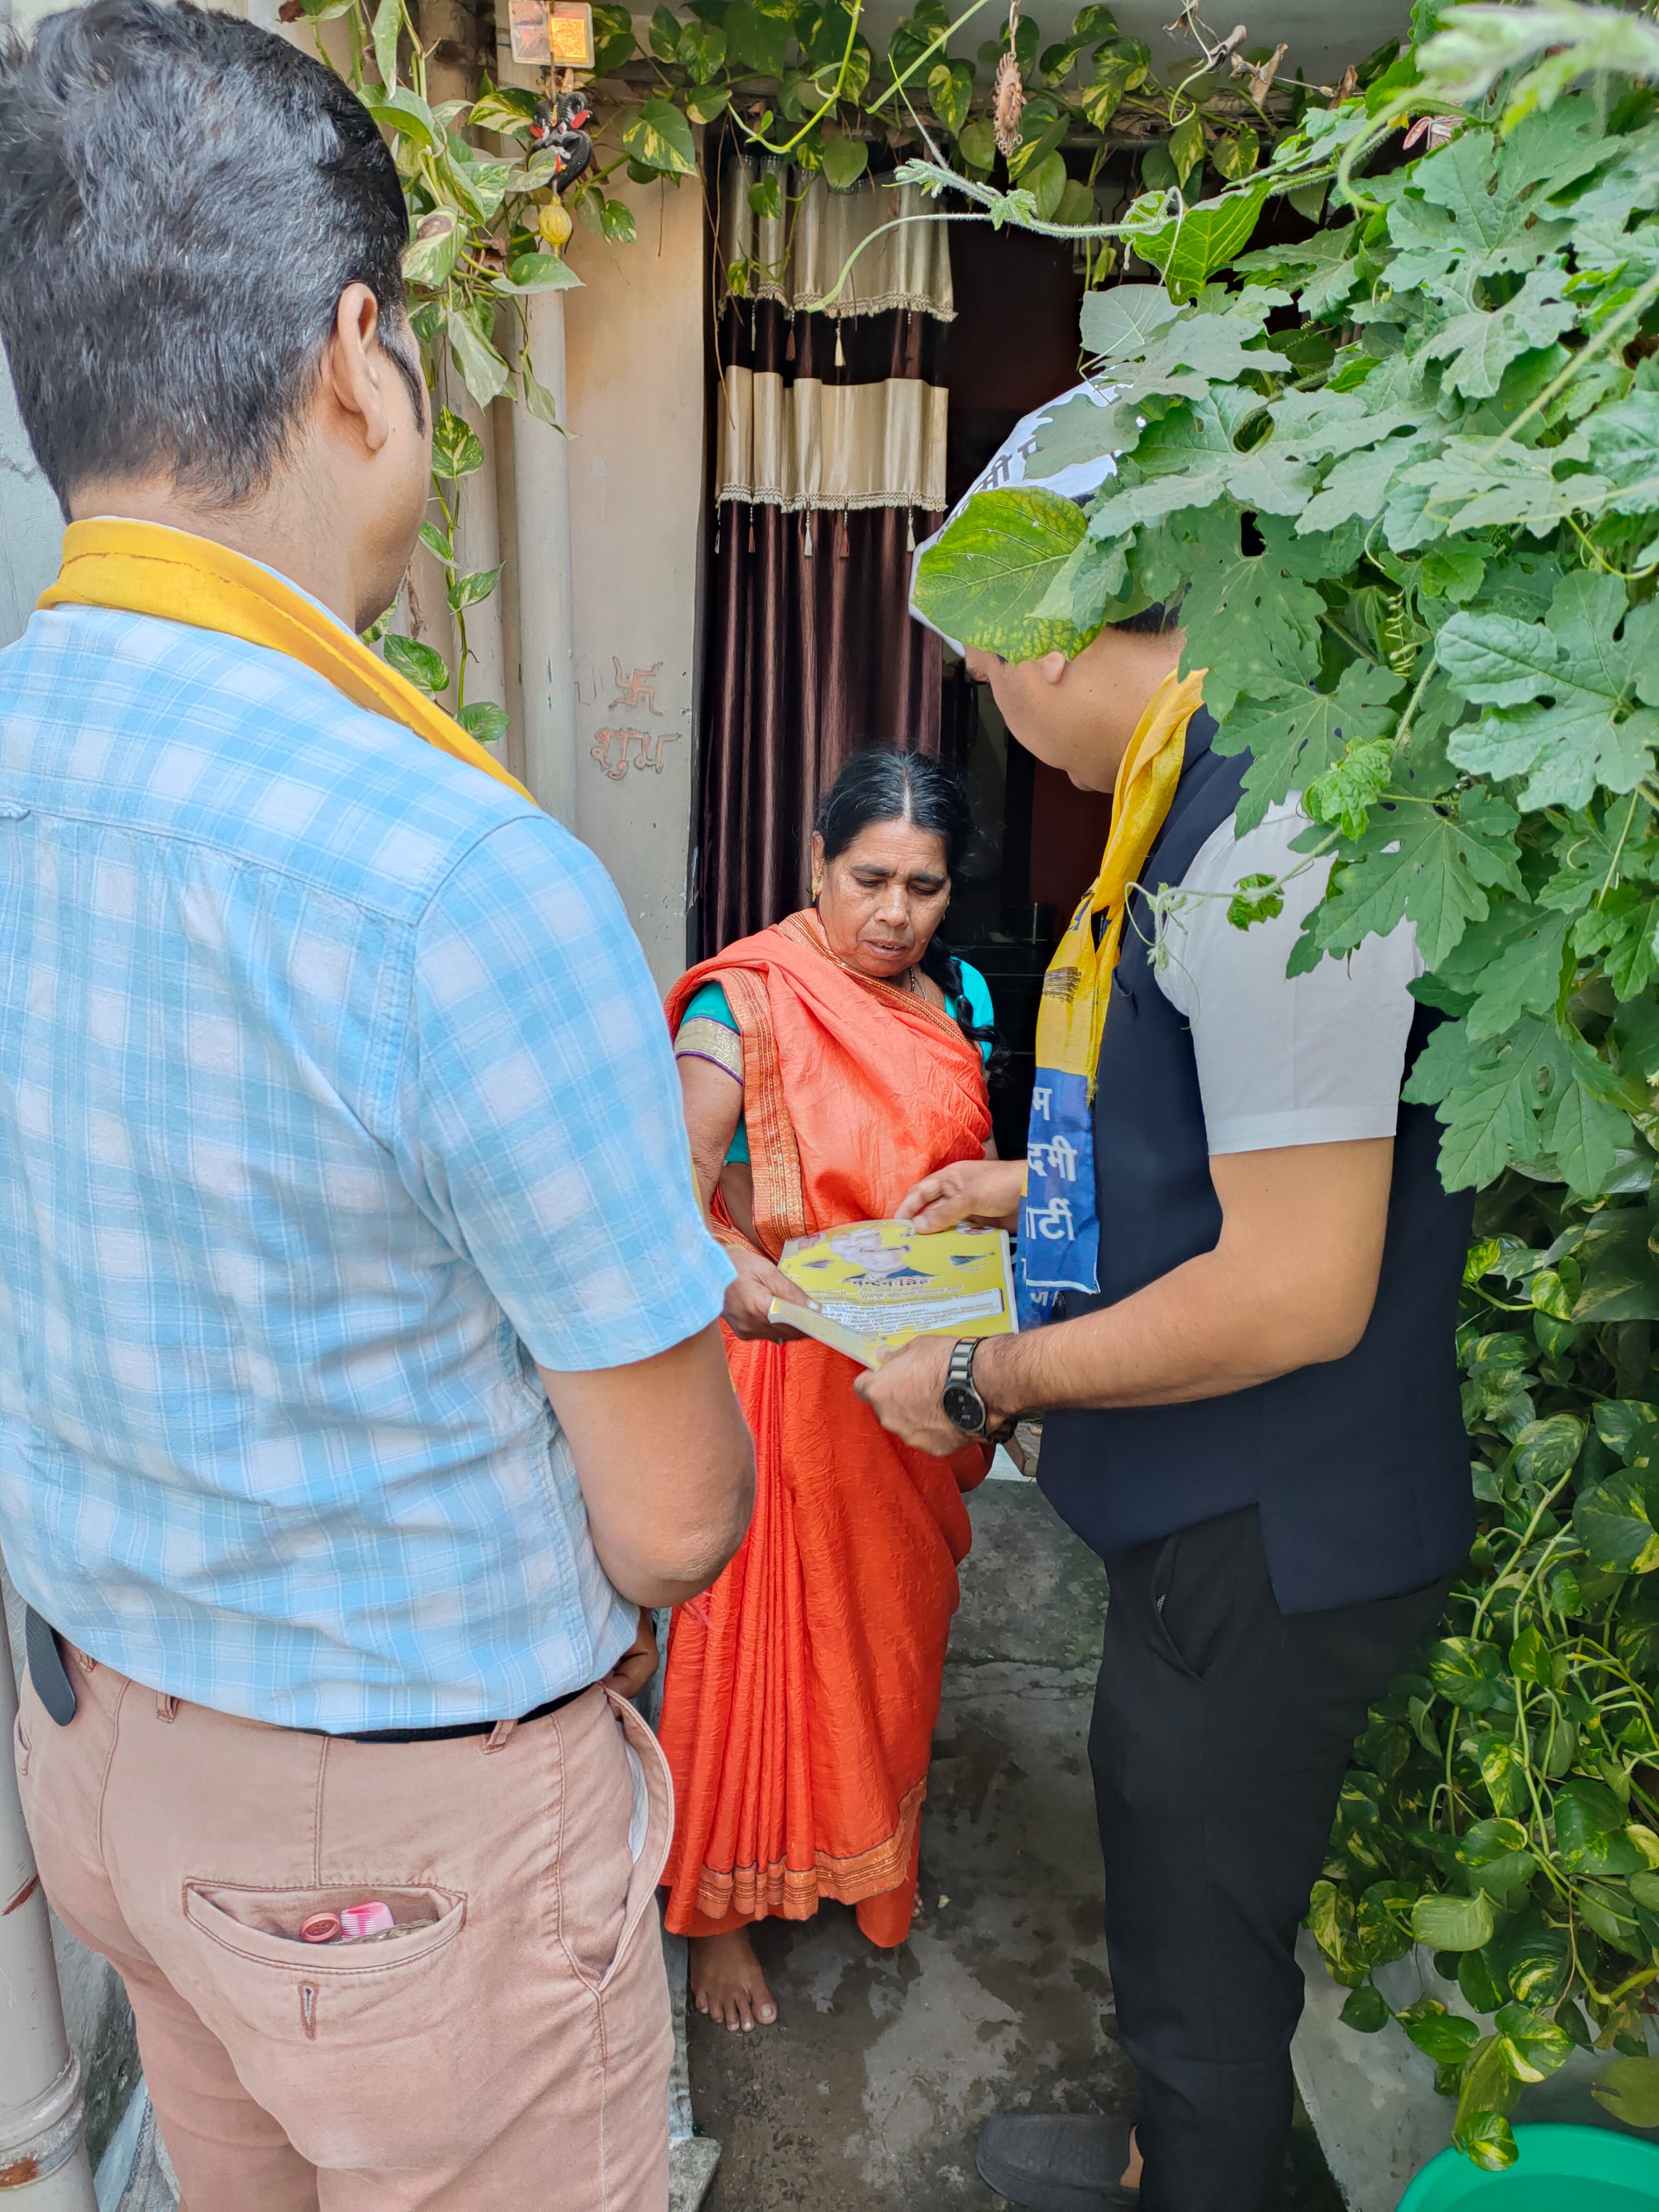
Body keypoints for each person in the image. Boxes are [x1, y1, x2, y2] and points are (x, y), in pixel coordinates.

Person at [0, 8, 753, 2208]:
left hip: (105, 1766)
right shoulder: (448, 870)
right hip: (401, 1848)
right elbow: (678, 1516)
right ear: (356, 357)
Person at [860, 607, 1473, 2211]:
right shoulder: (1183, 801)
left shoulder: (1267, 837)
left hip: (1271, 1536)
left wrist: (987, 1376)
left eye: (984, 672)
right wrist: (1028, 1189)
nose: (998, 712)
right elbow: (1230, 1138)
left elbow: (1293, 1287)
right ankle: (1170, 2149)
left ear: (1043, 638)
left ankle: (1196, 2166)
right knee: (1178, 1900)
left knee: (1204, 1961)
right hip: (1212, 1521)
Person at [657, 749, 1000, 2033]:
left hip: (914, 1378)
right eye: (869, 878)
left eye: (924, 884)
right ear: (816, 862)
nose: (894, 912)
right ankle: (720, 1921)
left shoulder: (952, 994)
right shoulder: (742, 1004)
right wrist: (745, 1275)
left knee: (887, 1637)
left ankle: (862, 1852)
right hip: (786, 1373)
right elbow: (672, 1193)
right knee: (753, 1649)